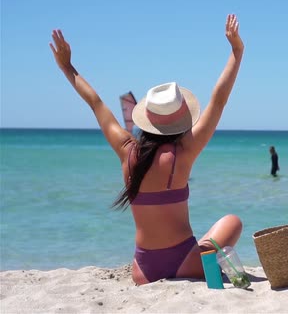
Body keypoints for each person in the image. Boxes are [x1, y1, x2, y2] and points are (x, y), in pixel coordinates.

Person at [50, 14, 245, 285]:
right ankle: (206, 264)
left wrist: (67, 66)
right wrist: (236, 52)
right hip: (187, 264)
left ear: (146, 120)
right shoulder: (184, 151)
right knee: (232, 221)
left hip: (142, 271)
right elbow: (219, 100)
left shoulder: (126, 149)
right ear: (181, 120)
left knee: (207, 236)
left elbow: (95, 103)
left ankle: (201, 260)